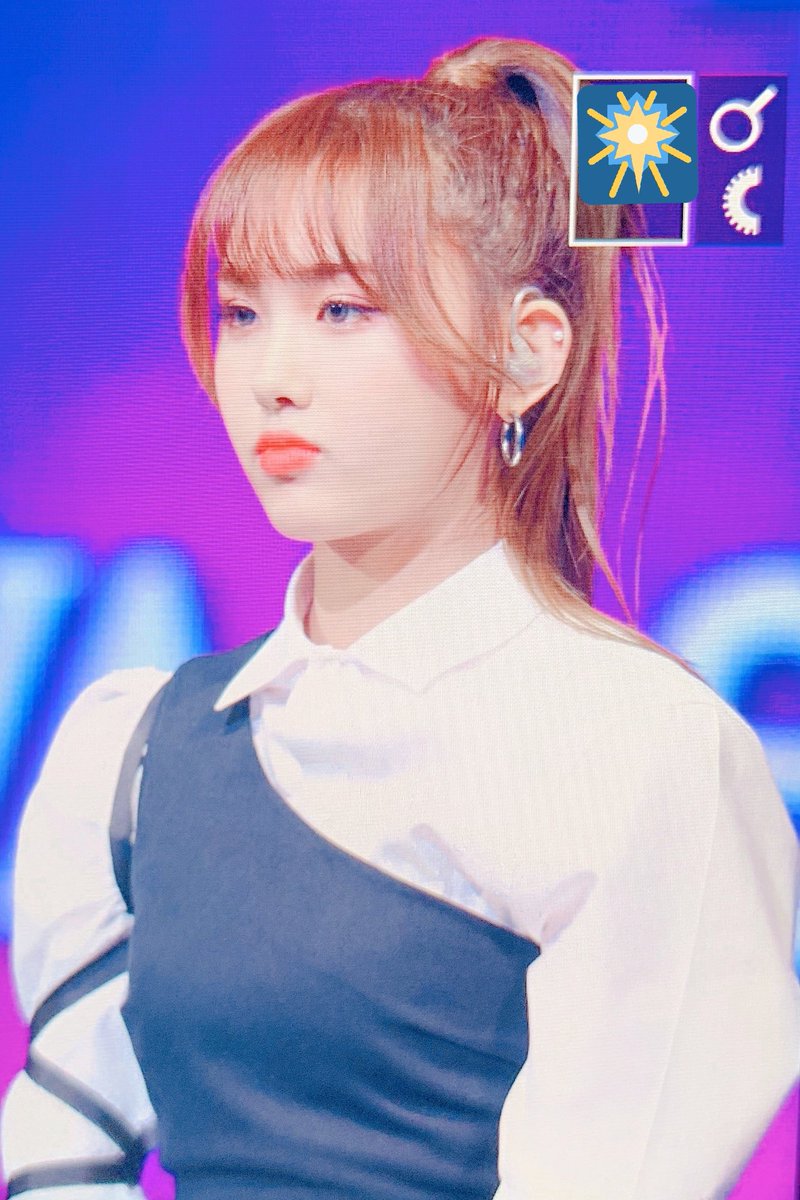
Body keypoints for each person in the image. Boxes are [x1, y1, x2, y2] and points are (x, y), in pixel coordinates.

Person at [2, 33, 799, 1200]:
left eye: (342, 310)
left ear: (523, 354)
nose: (271, 374)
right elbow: (65, 1138)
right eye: (240, 312)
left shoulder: (639, 752)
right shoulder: (138, 749)